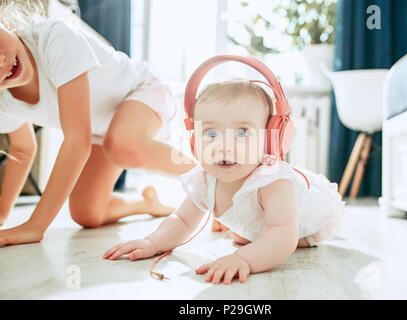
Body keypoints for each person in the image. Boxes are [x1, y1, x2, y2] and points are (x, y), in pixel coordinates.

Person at [104, 57, 345, 284]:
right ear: (194, 141)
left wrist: (245, 259)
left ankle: (259, 234)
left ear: (271, 140)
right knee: (248, 235)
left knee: (275, 234)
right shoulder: (205, 178)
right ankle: (250, 231)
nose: (224, 145)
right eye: (210, 133)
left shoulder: (273, 181)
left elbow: (284, 234)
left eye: (242, 132)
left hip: (312, 217)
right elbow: (182, 220)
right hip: (264, 222)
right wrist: (152, 242)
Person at [0, 3, 195, 247]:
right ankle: (147, 204)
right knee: (86, 213)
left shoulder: (55, 39)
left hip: (141, 92)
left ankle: (211, 178)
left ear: (3, 22)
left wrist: (35, 226)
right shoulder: (3, 101)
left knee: (123, 145)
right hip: (99, 131)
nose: (0, 61)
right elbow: (22, 148)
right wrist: (2, 216)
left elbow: (77, 141)